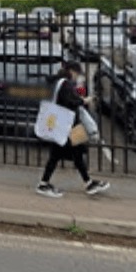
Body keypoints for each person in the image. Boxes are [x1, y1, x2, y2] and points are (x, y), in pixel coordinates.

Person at [36, 60, 110, 198]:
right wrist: (84, 100)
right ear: (71, 71)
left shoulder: (57, 81)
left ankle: (88, 183)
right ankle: (43, 184)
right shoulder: (65, 84)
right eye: (77, 73)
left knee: (75, 154)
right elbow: (71, 101)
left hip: (66, 125)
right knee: (60, 155)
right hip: (66, 125)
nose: (77, 77)